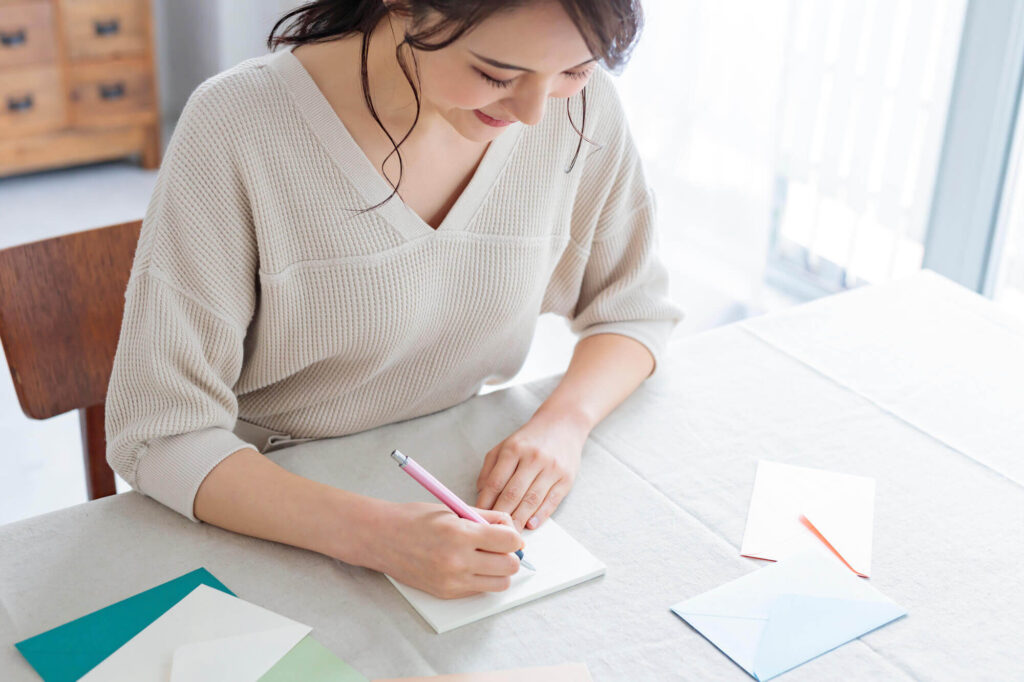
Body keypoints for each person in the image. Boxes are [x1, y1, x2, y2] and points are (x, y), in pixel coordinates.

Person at [105, 0, 682, 600]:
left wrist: (562, 426)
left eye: (577, 70)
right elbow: (159, 436)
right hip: (264, 513)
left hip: (452, 483)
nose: (535, 113)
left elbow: (634, 310)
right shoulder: (239, 126)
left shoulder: (581, 112)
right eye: (495, 75)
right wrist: (377, 536)